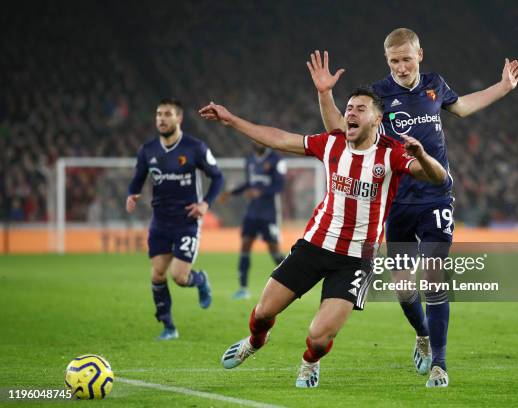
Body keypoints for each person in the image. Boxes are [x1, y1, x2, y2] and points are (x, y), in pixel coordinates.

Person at [306, 28, 518, 387]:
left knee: (434, 276)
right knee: (405, 289)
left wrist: (503, 87)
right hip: (396, 202)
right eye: (395, 61)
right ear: (387, 61)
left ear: (420, 55)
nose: (402, 66)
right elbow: (343, 131)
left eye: (407, 58)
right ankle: (422, 334)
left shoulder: (435, 84)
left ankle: (439, 364)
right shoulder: (377, 95)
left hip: (436, 196)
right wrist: (325, 94)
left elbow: (464, 107)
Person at [198, 87, 447, 388]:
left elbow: (438, 177)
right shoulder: (331, 144)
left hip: (355, 260)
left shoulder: (391, 153)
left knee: (318, 337)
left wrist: (422, 154)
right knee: (263, 312)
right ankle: (254, 341)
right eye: (349, 108)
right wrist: (231, 119)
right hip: (314, 245)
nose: (351, 113)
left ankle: (310, 362)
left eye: (360, 108)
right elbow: (279, 138)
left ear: (377, 119)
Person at [126, 98, 224, 340]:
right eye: (158, 114)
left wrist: (205, 204)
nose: (161, 118)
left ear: (179, 118)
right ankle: (168, 326)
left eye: (167, 114)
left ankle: (200, 280)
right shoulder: (147, 150)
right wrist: (132, 193)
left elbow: (218, 177)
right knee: (157, 274)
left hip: (187, 221)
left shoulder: (195, 148)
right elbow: (139, 176)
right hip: (160, 222)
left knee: (179, 277)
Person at [218, 142, 287, 299]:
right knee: (245, 245)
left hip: (269, 213)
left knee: (274, 251)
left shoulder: (277, 160)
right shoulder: (249, 160)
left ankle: (295, 282)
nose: (256, 142)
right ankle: (243, 288)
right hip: (252, 213)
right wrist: (231, 193)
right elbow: (249, 183)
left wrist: (260, 192)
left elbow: (280, 186)